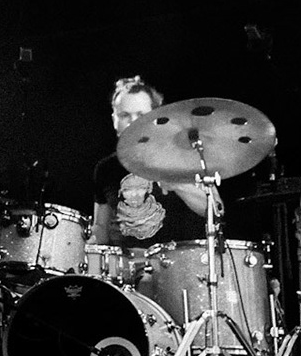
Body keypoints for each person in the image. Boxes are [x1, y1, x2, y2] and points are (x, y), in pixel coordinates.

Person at [91, 76, 219, 248]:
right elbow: (101, 228)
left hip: (176, 265)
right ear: (114, 119)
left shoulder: (183, 155)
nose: (132, 121)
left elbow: (216, 210)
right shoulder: (105, 168)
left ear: (155, 117)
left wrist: (178, 185)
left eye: (140, 115)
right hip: (126, 268)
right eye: (124, 115)